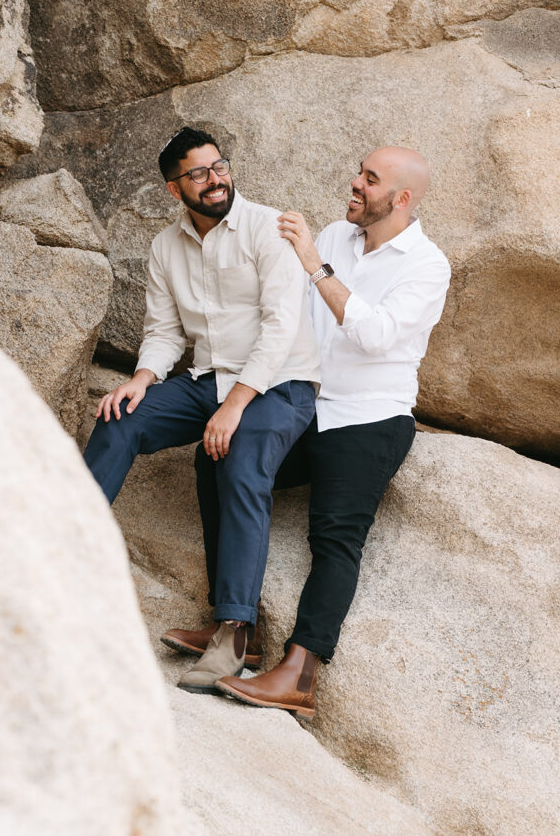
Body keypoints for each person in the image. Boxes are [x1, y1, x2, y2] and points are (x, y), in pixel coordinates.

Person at [161, 145, 451, 720]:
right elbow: (289, 316)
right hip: (307, 403)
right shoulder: (336, 235)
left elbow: (374, 336)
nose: (355, 184)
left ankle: (300, 673)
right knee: (218, 458)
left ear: (402, 199)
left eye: (370, 180)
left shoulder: (426, 263)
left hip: (370, 418)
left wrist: (316, 264)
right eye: (359, 173)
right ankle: (234, 628)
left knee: (335, 537)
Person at [84, 127, 320, 693]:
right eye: (199, 173)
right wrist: (140, 380)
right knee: (120, 418)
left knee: (238, 459)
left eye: (220, 167)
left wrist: (236, 405)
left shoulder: (269, 228)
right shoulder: (167, 247)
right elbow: (164, 332)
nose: (215, 179)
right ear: (174, 189)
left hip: (280, 384)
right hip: (206, 381)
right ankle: (64, 548)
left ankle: (236, 631)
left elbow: (281, 327)